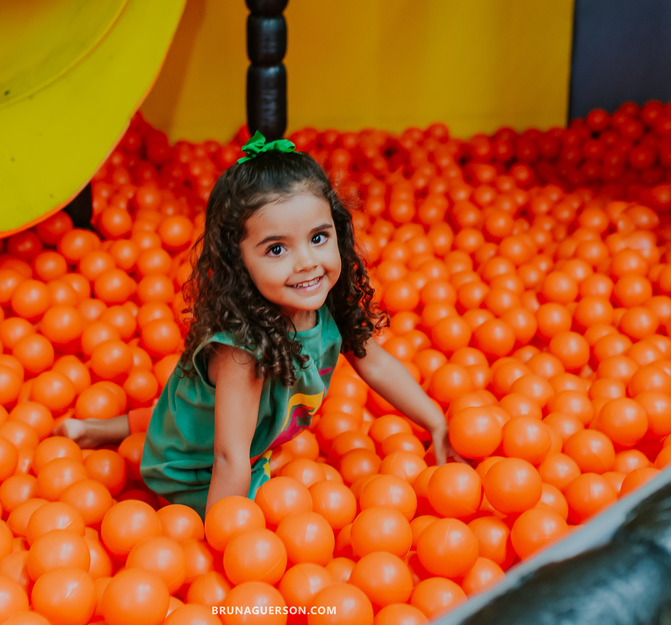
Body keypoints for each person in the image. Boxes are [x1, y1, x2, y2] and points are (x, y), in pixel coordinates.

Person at [57, 132, 463, 517]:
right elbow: (229, 456)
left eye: (318, 238)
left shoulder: (325, 302)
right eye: (277, 249)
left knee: (200, 415)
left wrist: (436, 423)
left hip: (211, 426)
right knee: (286, 509)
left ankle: (93, 430)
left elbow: (376, 363)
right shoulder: (242, 350)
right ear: (239, 262)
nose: (307, 262)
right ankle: (101, 434)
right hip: (196, 471)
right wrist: (224, 540)